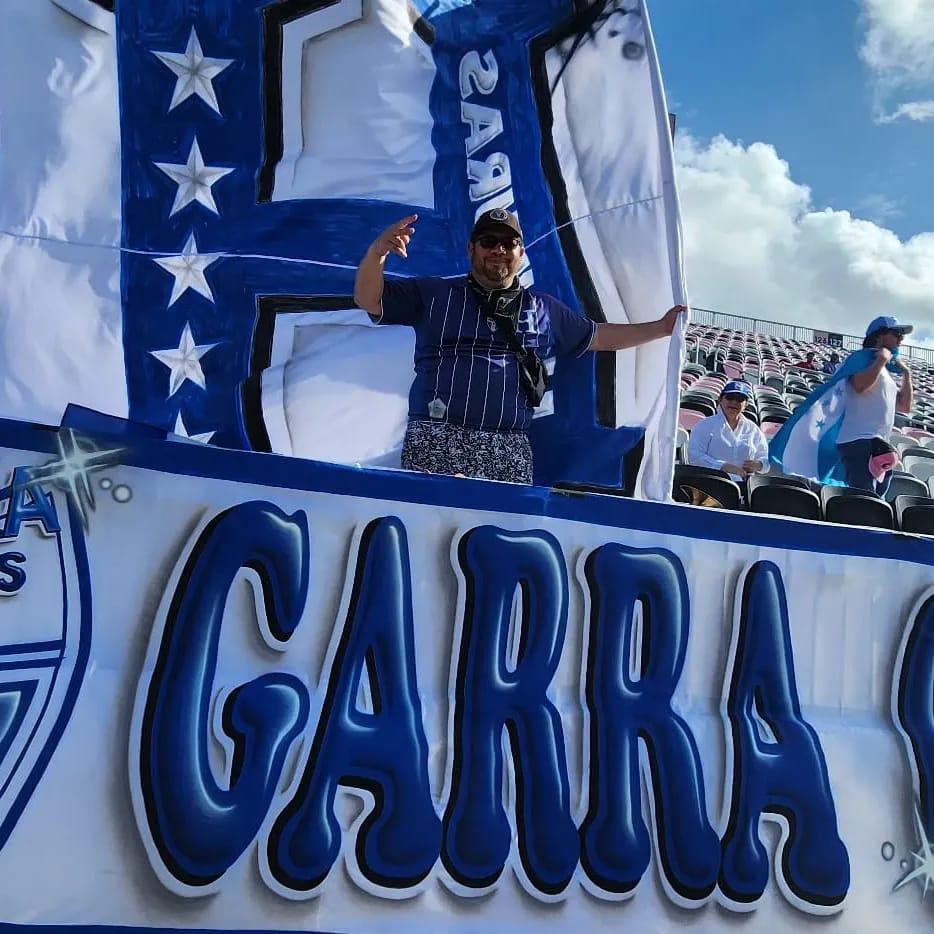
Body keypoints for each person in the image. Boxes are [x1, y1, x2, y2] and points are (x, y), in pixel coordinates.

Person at [353, 209, 685, 484]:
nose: (498, 249)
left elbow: (598, 337)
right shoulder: (434, 293)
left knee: (494, 546)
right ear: (471, 249)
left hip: (507, 446)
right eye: (488, 241)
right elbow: (368, 299)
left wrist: (661, 328)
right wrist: (378, 253)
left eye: (508, 243)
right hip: (436, 438)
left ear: (520, 253)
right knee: (425, 536)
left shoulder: (545, 308)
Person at [835, 316, 913, 496]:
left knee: (876, 504)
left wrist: (906, 374)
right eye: (896, 333)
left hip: (879, 447)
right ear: (879, 335)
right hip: (858, 443)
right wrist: (881, 360)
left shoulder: (883, 369)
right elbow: (859, 385)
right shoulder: (861, 359)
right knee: (863, 505)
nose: (901, 338)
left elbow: (904, 406)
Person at [687, 380, 769, 482]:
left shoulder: (754, 430)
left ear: (746, 404)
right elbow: (694, 456)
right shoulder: (704, 425)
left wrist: (759, 465)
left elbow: (766, 460)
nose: (734, 402)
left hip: (744, 486)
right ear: (720, 400)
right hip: (710, 482)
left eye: (739, 399)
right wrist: (722, 466)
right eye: (730, 397)